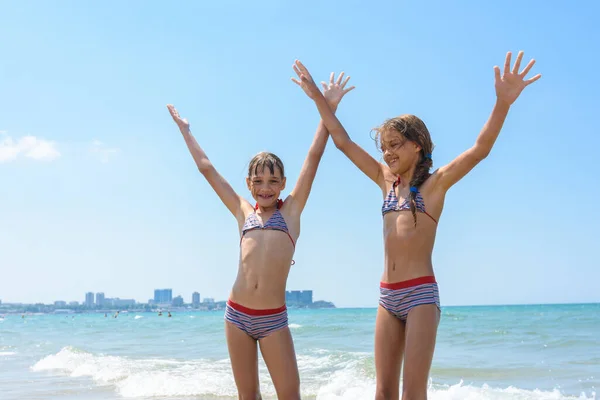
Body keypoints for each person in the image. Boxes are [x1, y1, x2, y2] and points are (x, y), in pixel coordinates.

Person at [292, 51, 541, 399]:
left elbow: (479, 149)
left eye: (395, 145)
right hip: (386, 295)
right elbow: (343, 141)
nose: (388, 153)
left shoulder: (434, 184)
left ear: (417, 145)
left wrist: (502, 103)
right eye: (383, 148)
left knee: (413, 392)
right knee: (383, 392)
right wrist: (320, 99)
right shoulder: (385, 180)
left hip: (421, 295)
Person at [166, 74, 354, 399]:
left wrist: (328, 108)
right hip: (236, 315)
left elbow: (313, 158)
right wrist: (186, 131)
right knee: (248, 396)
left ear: (282, 184)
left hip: (273, 319)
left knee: (289, 394)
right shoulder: (243, 212)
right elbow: (207, 169)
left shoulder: (291, 213)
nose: (265, 187)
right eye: (259, 180)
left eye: (272, 181)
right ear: (249, 185)